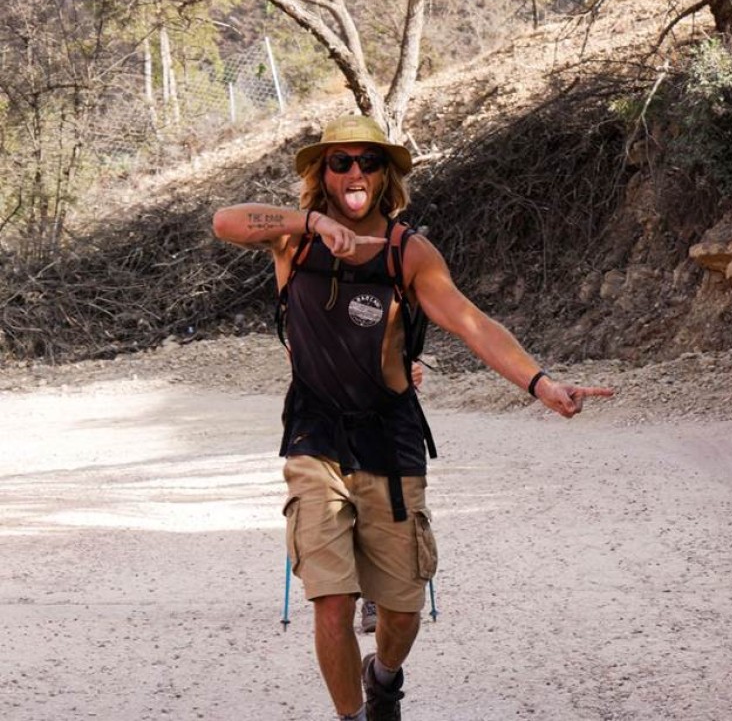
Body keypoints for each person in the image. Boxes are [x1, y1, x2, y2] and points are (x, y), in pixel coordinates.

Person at [212, 114, 613, 721]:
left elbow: (472, 322)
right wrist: (313, 221)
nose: (353, 172)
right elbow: (226, 222)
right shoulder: (293, 241)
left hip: (389, 435)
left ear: (385, 176)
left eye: (368, 162)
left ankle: (385, 675)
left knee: (401, 611)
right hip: (314, 434)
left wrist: (540, 383)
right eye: (340, 161)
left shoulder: (408, 252)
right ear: (322, 174)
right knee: (332, 600)